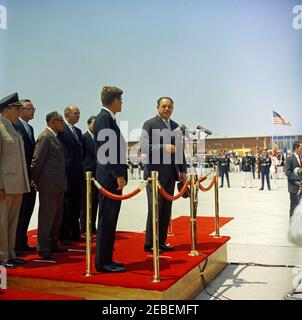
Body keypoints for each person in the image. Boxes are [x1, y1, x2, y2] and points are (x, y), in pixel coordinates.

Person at [140, 97, 187, 253]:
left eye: (169, 106)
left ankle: (161, 242)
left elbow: (180, 151)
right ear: (157, 107)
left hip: (171, 174)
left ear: (173, 108)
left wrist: (183, 171)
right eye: (163, 106)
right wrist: (164, 147)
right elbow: (144, 147)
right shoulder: (149, 124)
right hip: (155, 175)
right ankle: (150, 243)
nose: (166, 109)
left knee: (166, 209)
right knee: (155, 209)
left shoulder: (175, 127)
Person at [94, 86, 128, 273]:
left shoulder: (109, 119)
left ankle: (107, 259)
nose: (122, 103)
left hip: (111, 177)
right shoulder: (104, 119)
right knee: (106, 220)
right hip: (109, 178)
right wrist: (118, 175)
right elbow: (108, 151)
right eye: (120, 99)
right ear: (113, 100)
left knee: (110, 220)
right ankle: (102, 262)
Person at [31, 112, 67, 260]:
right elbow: (37, 161)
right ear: (52, 121)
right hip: (48, 185)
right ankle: (43, 247)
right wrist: (34, 179)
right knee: (47, 216)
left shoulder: (55, 137)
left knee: (57, 216)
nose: (63, 124)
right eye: (61, 121)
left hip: (58, 184)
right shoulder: (45, 137)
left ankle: (53, 244)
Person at [0, 93, 30, 268]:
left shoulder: (13, 127)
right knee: (2, 223)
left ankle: (10, 253)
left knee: (12, 222)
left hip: (16, 183)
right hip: (5, 185)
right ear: (7, 109)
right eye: (17, 108)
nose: (19, 111)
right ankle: (2, 257)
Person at [14, 99, 37, 255]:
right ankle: (15, 243)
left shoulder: (30, 128)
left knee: (28, 209)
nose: (34, 110)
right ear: (21, 110)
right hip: (20, 177)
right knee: (20, 212)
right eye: (30, 108)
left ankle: (22, 241)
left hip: (30, 178)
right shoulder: (15, 126)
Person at [58, 105, 83, 244]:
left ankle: (74, 232)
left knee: (75, 205)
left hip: (78, 175)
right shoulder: (62, 130)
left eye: (79, 113)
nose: (78, 115)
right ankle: (64, 234)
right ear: (67, 115)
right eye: (76, 113)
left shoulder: (78, 131)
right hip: (67, 175)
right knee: (66, 205)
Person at [80, 116, 98, 234]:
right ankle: (85, 226)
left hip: (97, 175)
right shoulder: (84, 137)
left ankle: (93, 225)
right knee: (86, 202)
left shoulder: (99, 138)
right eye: (94, 124)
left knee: (95, 201)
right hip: (87, 174)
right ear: (88, 124)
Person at [285, 141, 302, 217]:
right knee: (294, 207)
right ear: (296, 148)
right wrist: (299, 179)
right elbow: (288, 173)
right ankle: (292, 227)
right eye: (301, 147)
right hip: (294, 187)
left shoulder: (301, 158)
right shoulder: (289, 158)